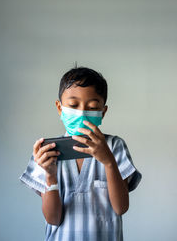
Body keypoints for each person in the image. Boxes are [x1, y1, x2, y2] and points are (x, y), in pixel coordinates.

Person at [19, 66, 142, 241]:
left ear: (103, 112)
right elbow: (52, 218)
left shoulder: (115, 146)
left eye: (92, 107)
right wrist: (50, 176)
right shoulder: (46, 154)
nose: (82, 113)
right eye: (73, 105)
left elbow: (121, 207)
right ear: (60, 108)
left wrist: (108, 162)